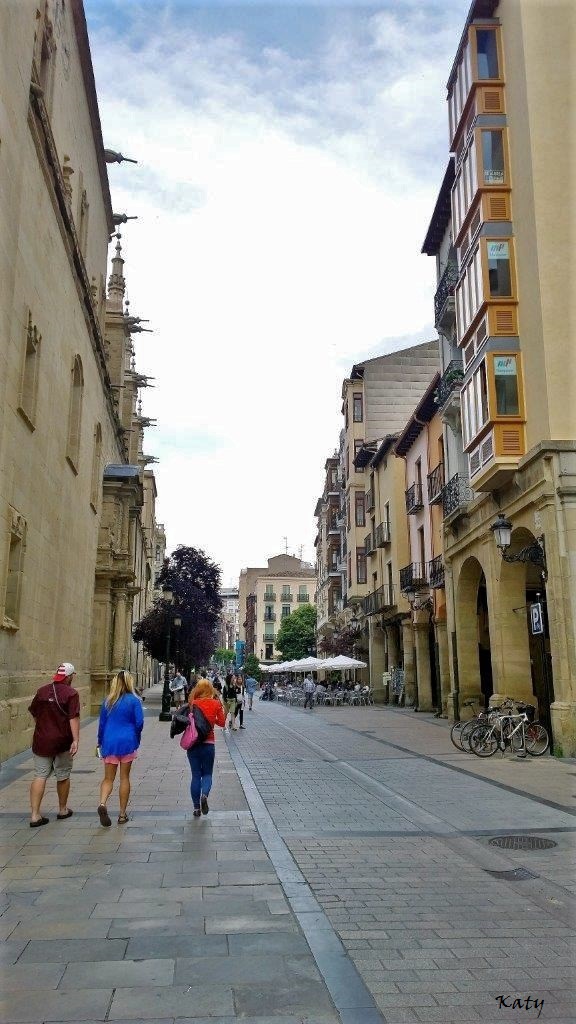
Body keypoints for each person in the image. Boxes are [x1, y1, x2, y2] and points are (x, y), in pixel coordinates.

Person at [28, 662, 80, 827]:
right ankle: (63, 809)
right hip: (62, 741)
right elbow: (73, 718)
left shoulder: (41, 691)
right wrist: (76, 740)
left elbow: (34, 713)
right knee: (63, 775)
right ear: (69, 676)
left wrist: (43, 727)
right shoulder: (71, 693)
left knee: (40, 775)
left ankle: (35, 815)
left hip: (42, 740)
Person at [97, 670, 144, 827]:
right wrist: (136, 736)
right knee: (124, 778)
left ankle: (102, 803)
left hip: (109, 742)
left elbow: (102, 725)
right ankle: (122, 815)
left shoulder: (108, 701)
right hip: (128, 742)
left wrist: (100, 742)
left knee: (108, 779)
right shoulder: (134, 701)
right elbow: (139, 723)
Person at [187, 679, 226, 817]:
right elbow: (222, 723)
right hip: (209, 744)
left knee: (196, 775)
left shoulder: (193, 703)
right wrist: (212, 718)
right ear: (210, 689)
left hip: (193, 744)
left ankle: (196, 808)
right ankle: (204, 795)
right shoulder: (216, 703)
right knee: (207, 774)